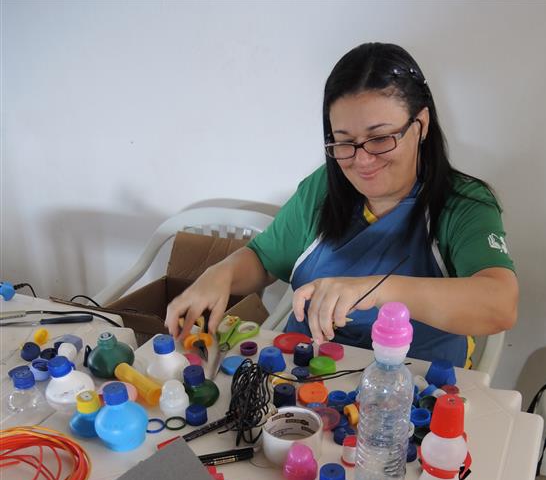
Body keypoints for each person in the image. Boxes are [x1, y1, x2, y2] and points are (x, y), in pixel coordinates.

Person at [165, 42, 518, 367]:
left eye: (380, 138)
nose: (362, 160)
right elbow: (263, 259)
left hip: (415, 386)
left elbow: (500, 304)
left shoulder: (463, 204)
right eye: (344, 142)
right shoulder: (322, 189)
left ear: (420, 125)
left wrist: (375, 289)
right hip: (303, 374)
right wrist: (220, 274)